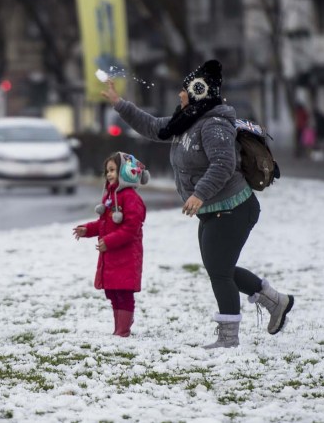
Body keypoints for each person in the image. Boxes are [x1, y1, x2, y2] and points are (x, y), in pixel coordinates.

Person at [101, 59, 294, 349]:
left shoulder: (214, 124)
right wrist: (119, 103)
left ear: (198, 92)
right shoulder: (186, 121)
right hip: (213, 210)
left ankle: (228, 338)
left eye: (184, 90)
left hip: (233, 207)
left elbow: (223, 164)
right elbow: (154, 127)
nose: (179, 95)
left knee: (219, 270)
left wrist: (199, 193)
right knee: (221, 269)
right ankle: (275, 301)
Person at [73, 152, 149, 337]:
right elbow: (104, 223)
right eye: (107, 171)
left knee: (123, 293)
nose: (108, 174)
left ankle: (122, 330)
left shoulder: (130, 198)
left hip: (126, 256)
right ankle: (119, 327)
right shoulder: (110, 197)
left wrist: (108, 241)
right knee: (113, 293)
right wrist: (88, 230)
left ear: (125, 172)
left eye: (113, 170)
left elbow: (131, 228)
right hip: (112, 256)